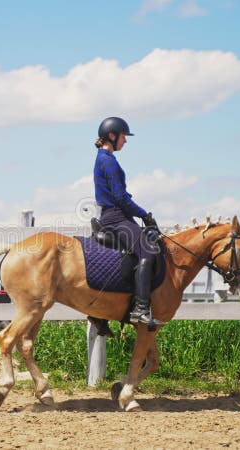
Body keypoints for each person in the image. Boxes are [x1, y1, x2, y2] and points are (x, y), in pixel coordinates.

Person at [93, 116, 160, 327]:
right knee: (148, 250)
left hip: (115, 215)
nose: (125, 141)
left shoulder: (104, 158)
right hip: (115, 217)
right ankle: (140, 309)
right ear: (111, 136)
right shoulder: (108, 161)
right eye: (123, 136)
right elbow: (121, 198)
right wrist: (144, 215)